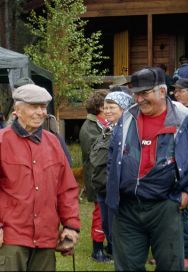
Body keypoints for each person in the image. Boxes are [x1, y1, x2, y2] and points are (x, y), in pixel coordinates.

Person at [0, 84, 80, 271]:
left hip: (46, 237)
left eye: (43, 107)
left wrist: (71, 225)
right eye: (34, 106)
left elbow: (67, 189)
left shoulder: (53, 143)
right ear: (17, 110)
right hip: (11, 237)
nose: (41, 112)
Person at [106, 67, 188, 270]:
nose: (138, 99)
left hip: (166, 205)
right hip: (127, 207)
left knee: (170, 266)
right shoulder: (126, 118)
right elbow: (112, 155)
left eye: (144, 93)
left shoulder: (185, 118)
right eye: (135, 93)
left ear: (162, 92)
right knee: (127, 267)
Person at [89, 91, 133, 256]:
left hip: (118, 189)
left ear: (124, 108)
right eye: (105, 107)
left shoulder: (129, 132)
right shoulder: (107, 129)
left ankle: (123, 255)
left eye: (111, 107)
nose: (107, 111)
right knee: (107, 226)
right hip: (102, 187)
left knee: (119, 226)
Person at [79, 89, 112, 262]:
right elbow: (94, 154)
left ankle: (111, 246)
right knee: (100, 213)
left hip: (106, 176)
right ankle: (97, 249)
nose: (109, 108)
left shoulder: (104, 123)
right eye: (107, 104)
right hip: (97, 178)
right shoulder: (89, 127)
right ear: (99, 106)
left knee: (109, 213)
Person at [171, 77, 188, 267]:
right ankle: (182, 252)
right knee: (179, 215)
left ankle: (187, 253)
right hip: (182, 173)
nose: (176, 95)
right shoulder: (182, 113)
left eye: (180, 91)